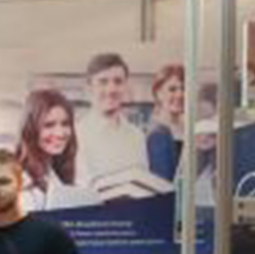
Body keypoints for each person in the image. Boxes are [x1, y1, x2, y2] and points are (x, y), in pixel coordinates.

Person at [76, 53, 148, 183]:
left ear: (125, 86)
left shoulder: (137, 136)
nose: (111, 90)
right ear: (89, 87)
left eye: (118, 82)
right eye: (103, 82)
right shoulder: (77, 136)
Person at [17, 89, 85, 211]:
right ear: (31, 129)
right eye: (49, 125)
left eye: (65, 124)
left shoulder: (53, 171)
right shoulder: (23, 182)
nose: (60, 133)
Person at [147, 65, 186, 181]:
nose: (180, 95)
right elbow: (162, 182)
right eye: (172, 89)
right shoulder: (157, 134)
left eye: (183, 88)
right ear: (158, 93)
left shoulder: (188, 128)